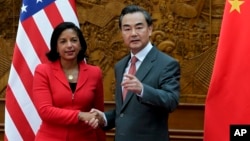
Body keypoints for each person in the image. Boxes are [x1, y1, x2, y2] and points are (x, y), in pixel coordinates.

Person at [90, 4, 180, 141]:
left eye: (139, 27)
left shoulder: (167, 64)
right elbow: (125, 111)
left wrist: (142, 89)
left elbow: (171, 101)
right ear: (121, 33)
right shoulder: (120, 66)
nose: (133, 33)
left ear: (150, 29)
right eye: (127, 28)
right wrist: (104, 118)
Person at [32, 22, 105, 141]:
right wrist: (80, 115)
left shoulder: (95, 72)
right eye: (63, 41)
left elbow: (98, 114)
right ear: (56, 47)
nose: (69, 45)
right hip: (50, 137)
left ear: (81, 44)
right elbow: (45, 111)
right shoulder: (43, 71)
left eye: (74, 40)